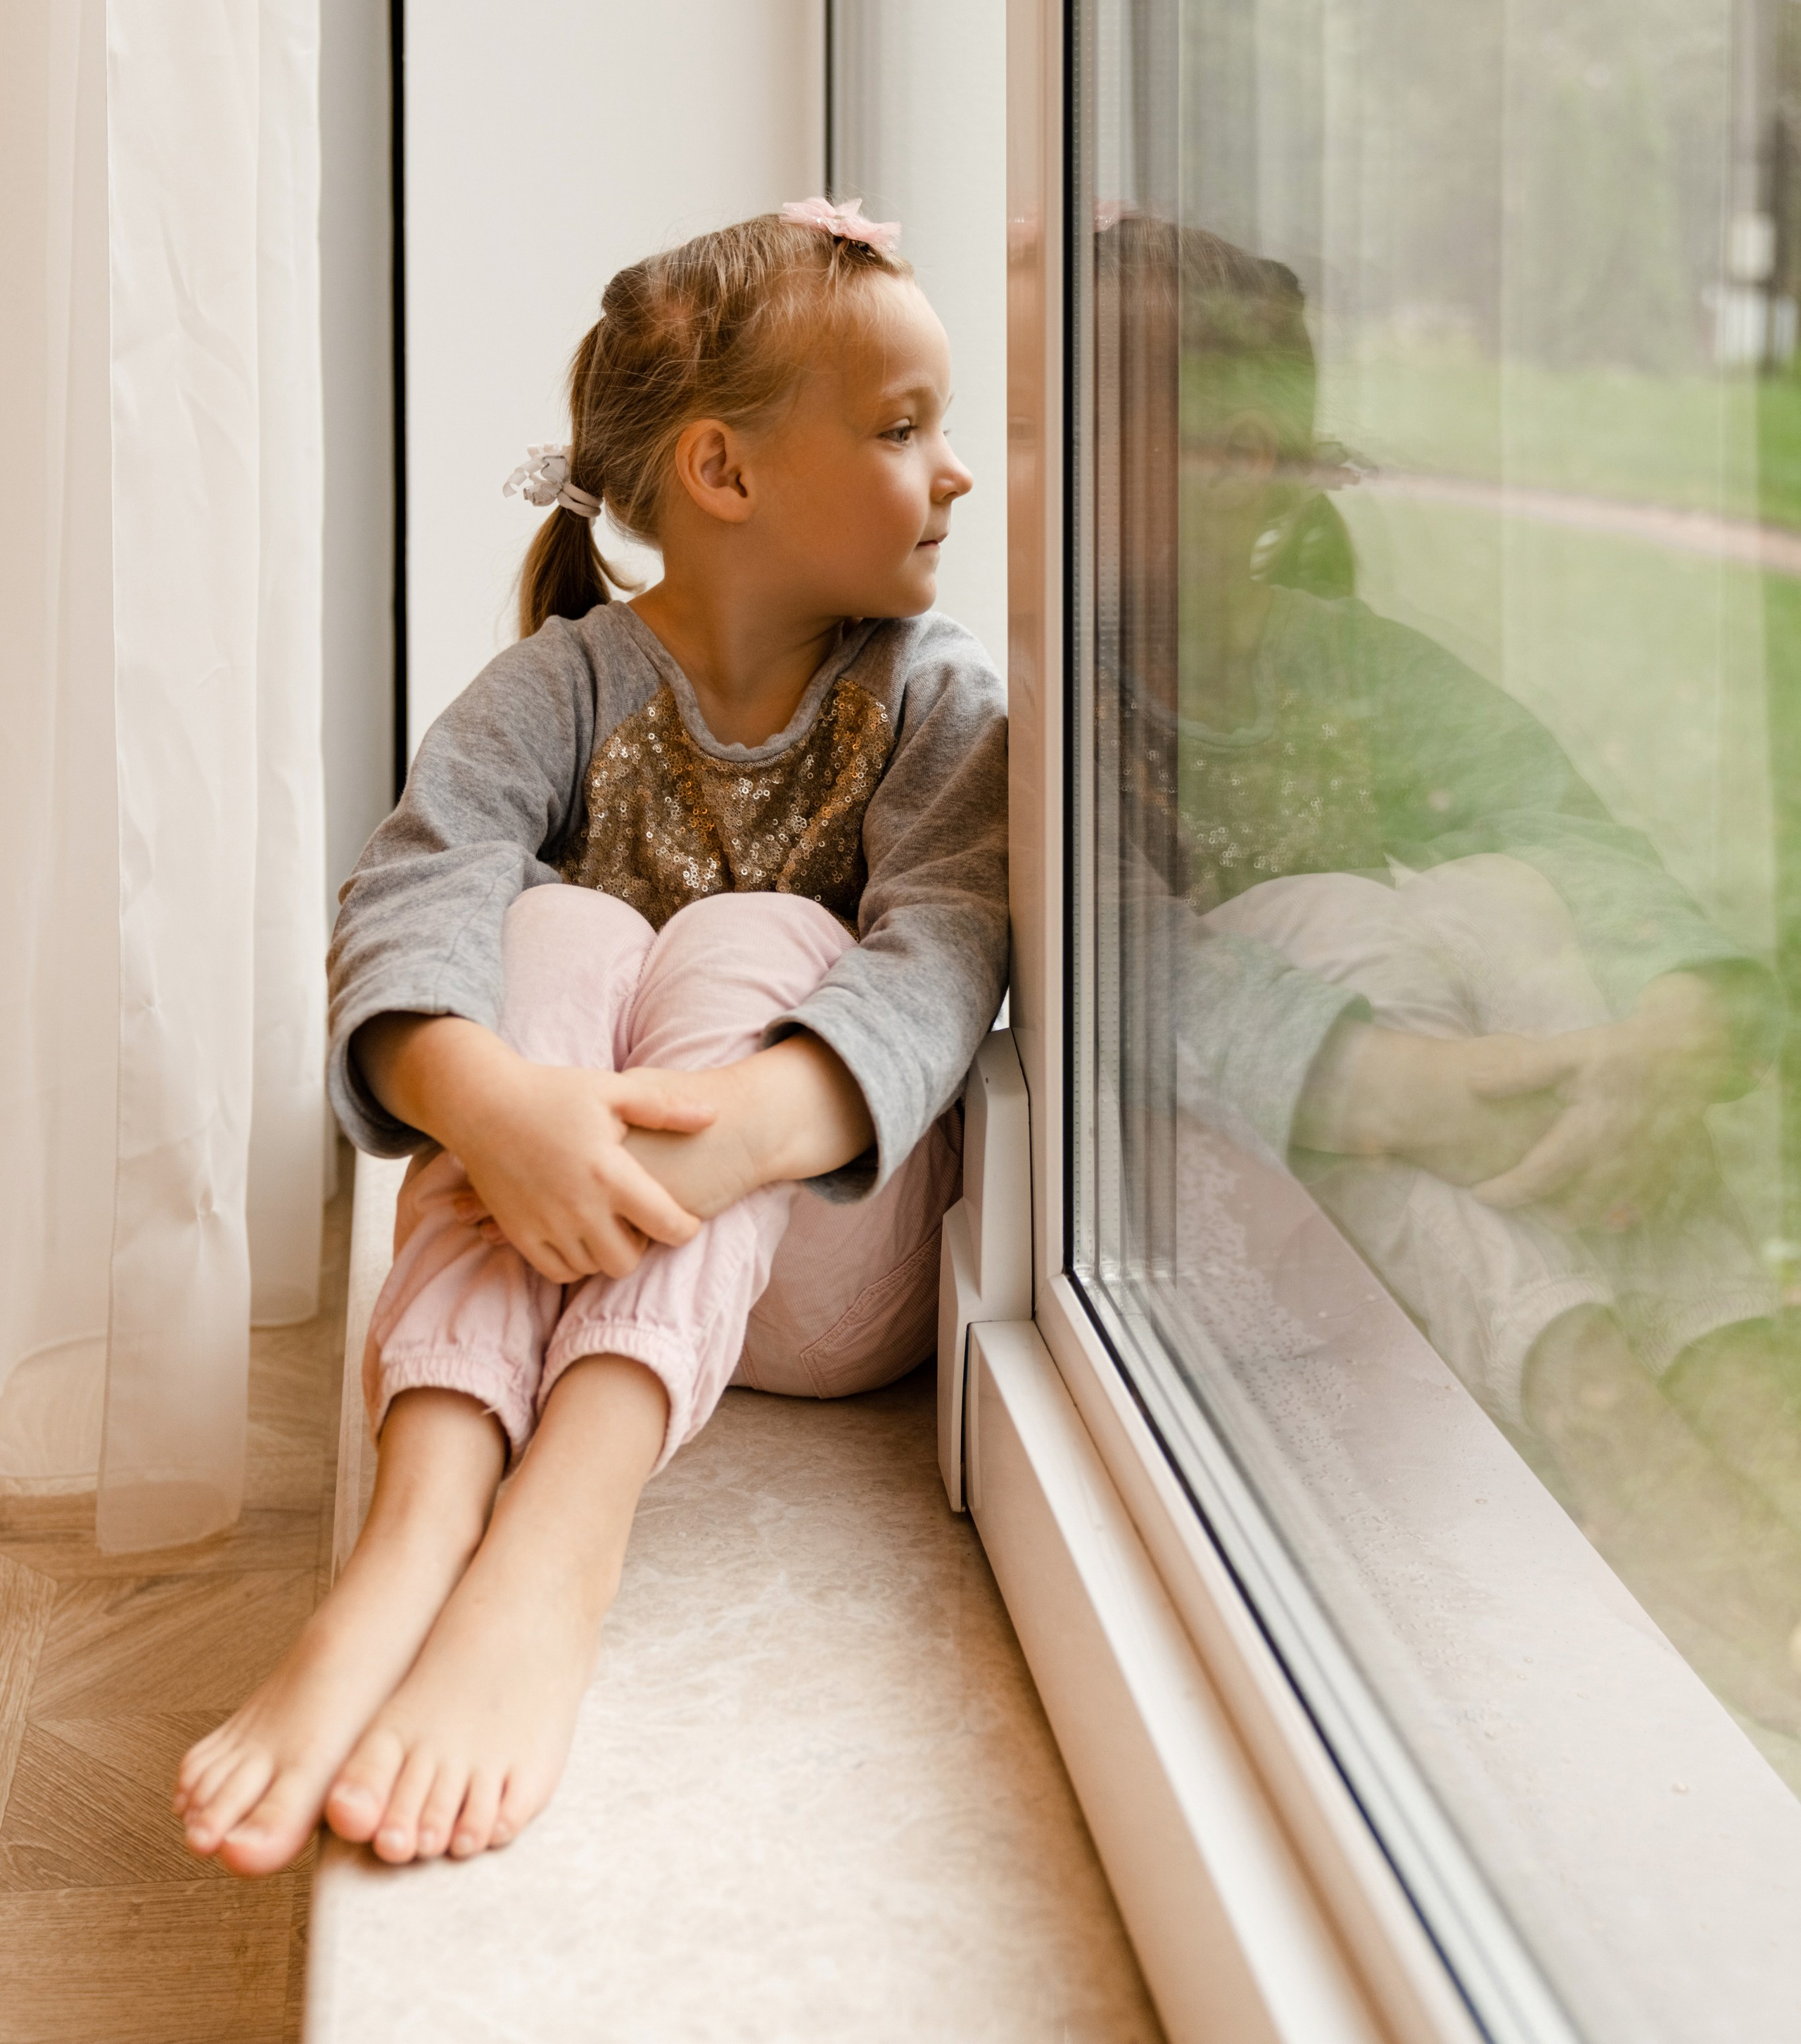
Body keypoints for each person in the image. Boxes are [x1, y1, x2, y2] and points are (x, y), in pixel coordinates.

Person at [174, 201, 1007, 1874]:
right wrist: (490, 1104)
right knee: (544, 927)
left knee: (753, 937)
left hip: (816, 1270)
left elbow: (947, 950)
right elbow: (404, 904)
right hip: (549, 1220)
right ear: (723, 473)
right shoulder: (552, 689)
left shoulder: (937, 697)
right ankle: (421, 1518)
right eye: (904, 429)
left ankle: (561, 1536)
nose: (956, 473)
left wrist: (735, 1129)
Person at [1100, 215, 1801, 1734]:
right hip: (1213, 1218)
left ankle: (1741, 1395)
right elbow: (1115, 970)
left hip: (1518, 1152)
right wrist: (1410, 1088)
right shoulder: (1051, 694)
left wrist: (1663, 1038)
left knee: (1504, 893)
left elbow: (1576, 841)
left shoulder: (1354, 670)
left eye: (1256, 446)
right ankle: (1616, 1441)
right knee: (1313, 921)